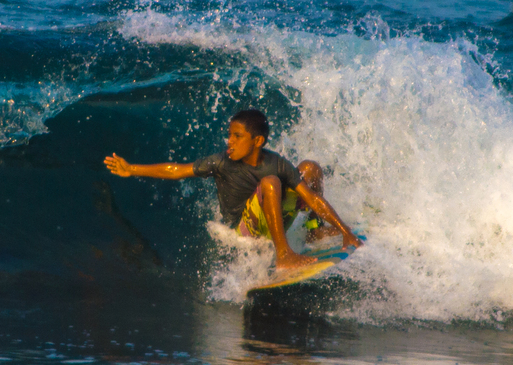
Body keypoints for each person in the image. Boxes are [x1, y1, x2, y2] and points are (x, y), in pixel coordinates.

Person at [103, 109, 361, 273]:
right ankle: (284, 255)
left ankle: (315, 230)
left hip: (273, 218)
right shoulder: (221, 162)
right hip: (243, 228)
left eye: (238, 136)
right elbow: (177, 170)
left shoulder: (276, 162)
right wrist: (131, 168)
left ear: (257, 141)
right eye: (230, 135)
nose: (230, 141)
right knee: (271, 182)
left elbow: (311, 198)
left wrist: (345, 231)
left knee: (309, 169)